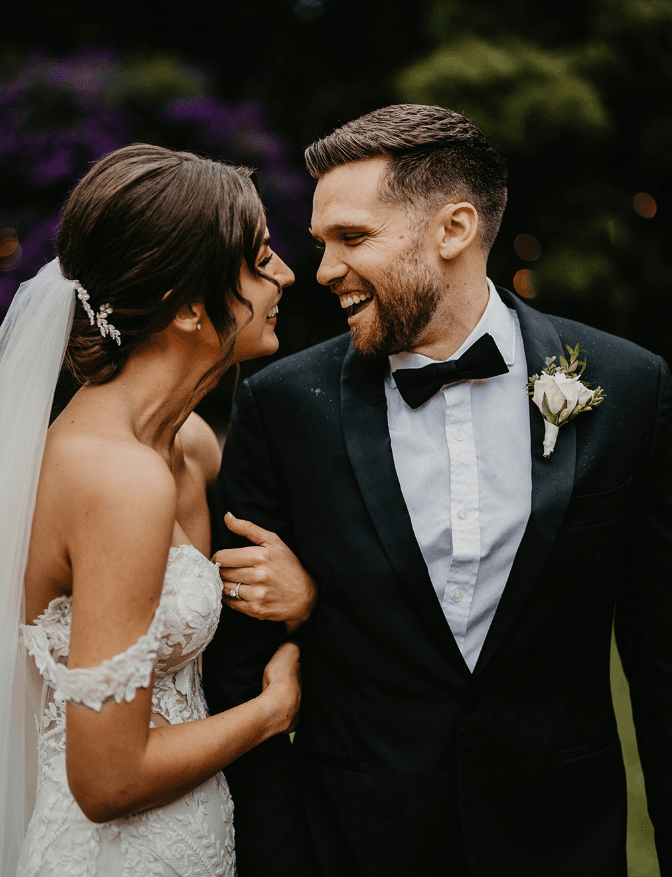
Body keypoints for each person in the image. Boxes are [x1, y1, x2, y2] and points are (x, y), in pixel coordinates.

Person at [204, 104, 672, 876]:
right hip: (353, 844)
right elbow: (237, 670)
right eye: (322, 243)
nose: (322, 270)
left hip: (561, 843)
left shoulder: (629, 388)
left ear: (453, 230)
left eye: (352, 238)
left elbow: (658, 662)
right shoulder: (281, 406)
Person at [0, 143, 313, 877]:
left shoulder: (187, 444)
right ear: (190, 307)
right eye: (260, 259)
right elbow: (107, 780)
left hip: (195, 837)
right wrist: (271, 710)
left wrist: (297, 591)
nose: (286, 272)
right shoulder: (119, 477)